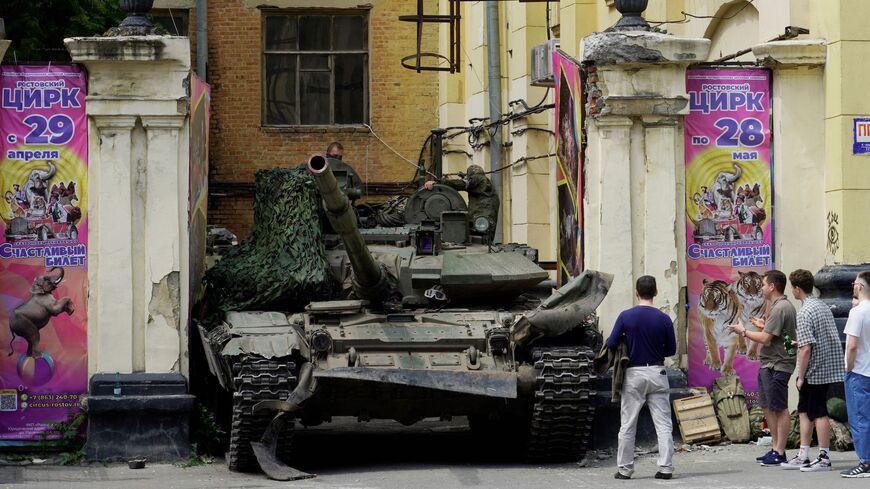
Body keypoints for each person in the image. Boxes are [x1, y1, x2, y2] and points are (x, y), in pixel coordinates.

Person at [606, 276, 676, 480]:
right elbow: (671, 350)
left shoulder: (626, 316)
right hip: (657, 372)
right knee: (663, 424)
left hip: (633, 374)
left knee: (628, 423)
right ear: (655, 292)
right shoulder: (664, 318)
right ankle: (665, 468)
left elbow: (611, 343)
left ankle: (625, 469)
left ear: (636, 293)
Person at [778, 269, 845, 472]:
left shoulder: (805, 312)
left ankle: (823, 457)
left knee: (818, 412)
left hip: (815, 369)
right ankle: (803, 454)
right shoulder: (821, 306)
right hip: (827, 364)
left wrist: (800, 376)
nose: (792, 291)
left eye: (792, 287)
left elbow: (806, 349)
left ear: (797, 289)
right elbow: (818, 338)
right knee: (804, 411)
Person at [728, 269, 796, 467]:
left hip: (778, 364)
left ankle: (780, 451)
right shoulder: (776, 306)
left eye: (764, 284)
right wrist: (762, 325)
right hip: (769, 363)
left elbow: (765, 338)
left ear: (772, 287)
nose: (761, 288)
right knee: (767, 406)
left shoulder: (781, 307)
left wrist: (744, 331)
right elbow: (773, 333)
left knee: (779, 408)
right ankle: (775, 448)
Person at [841, 271, 870, 478]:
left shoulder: (858, 312)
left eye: (854, 283)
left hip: (859, 371)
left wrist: (848, 367)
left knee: (859, 419)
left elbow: (851, 346)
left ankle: (865, 463)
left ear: (859, 287)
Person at [424, 165, 499, 242]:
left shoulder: (479, 179)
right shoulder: (487, 185)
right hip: (484, 225)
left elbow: (462, 184)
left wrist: (438, 182)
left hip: (480, 225)